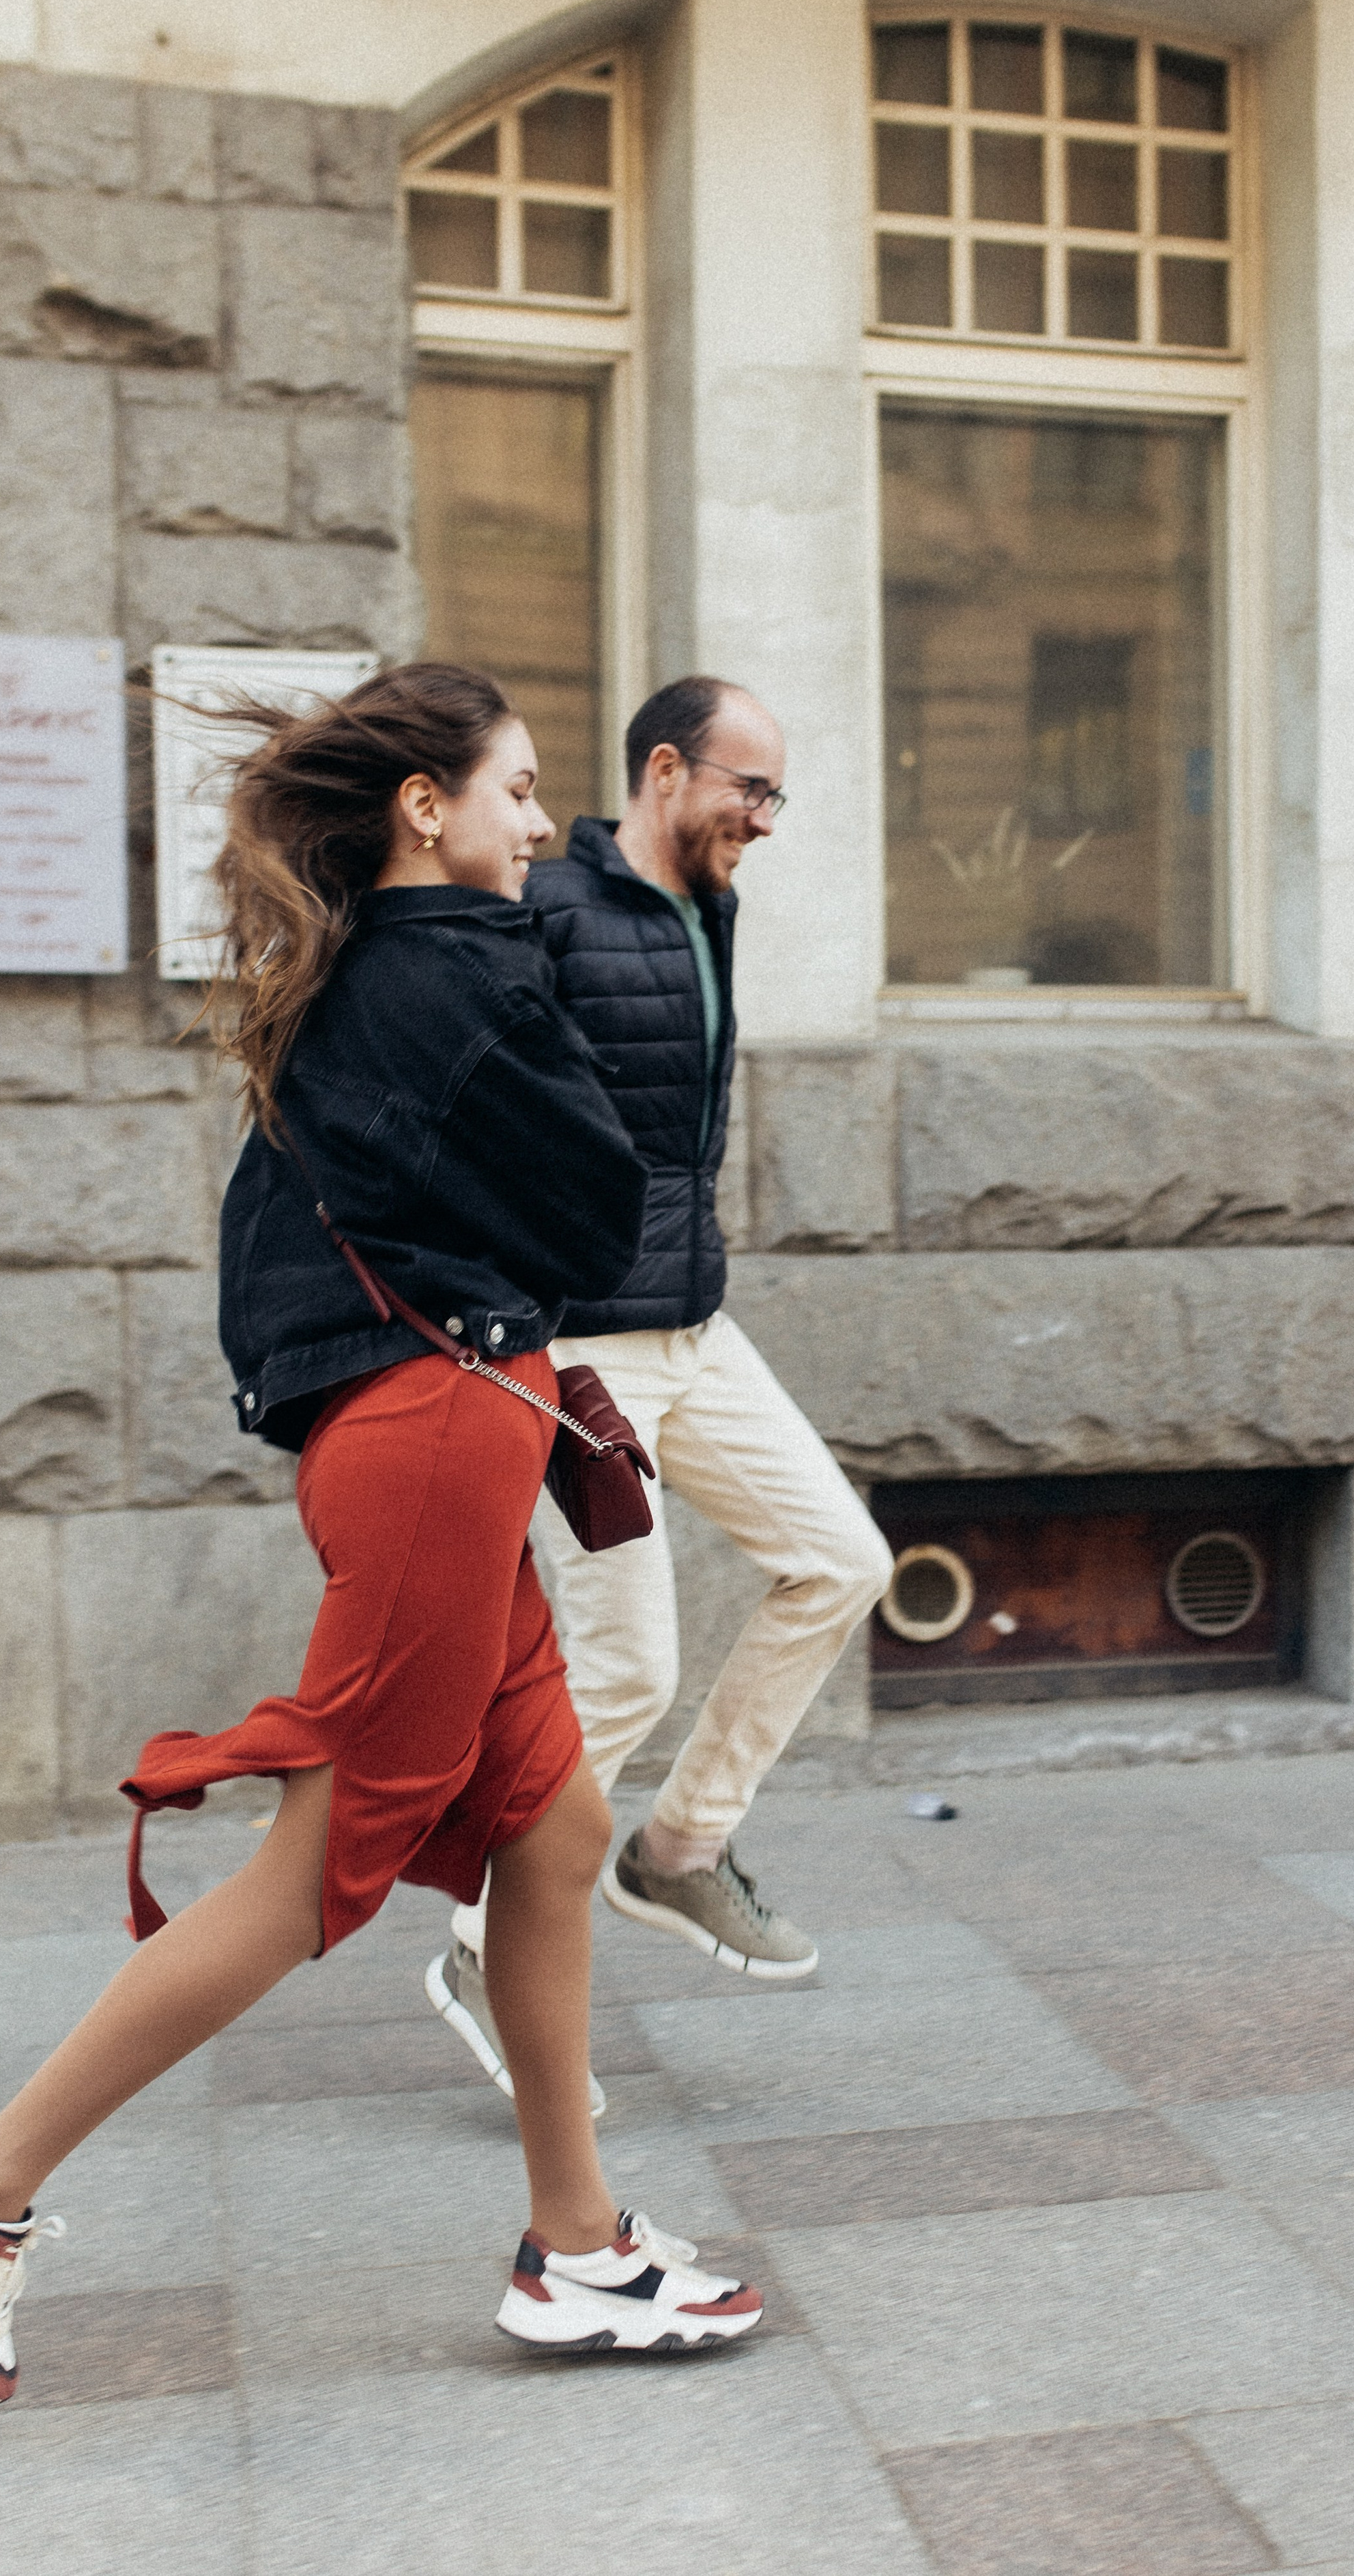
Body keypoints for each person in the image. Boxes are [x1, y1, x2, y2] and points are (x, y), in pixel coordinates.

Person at [0, 664, 763, 2406]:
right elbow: (597, 1205)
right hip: (433, 1433)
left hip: (434, 1428)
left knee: (559, 1825)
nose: (531, 819)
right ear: (423, 806)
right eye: (511, 788)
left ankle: (576, 2247)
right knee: (321, 1868)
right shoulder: (455, 973)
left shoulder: (375, 966)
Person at [429, 676, 891, 2097]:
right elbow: (475, 1110)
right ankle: (477, 1941)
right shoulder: (551, 907)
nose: (763, 817)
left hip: (692, 1323)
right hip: (581, 1346)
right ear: (666, 769)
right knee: (622, 1660)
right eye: (746, 789)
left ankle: (679, 1846)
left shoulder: (706, 904)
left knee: (839, 1558)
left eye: (774, 795)